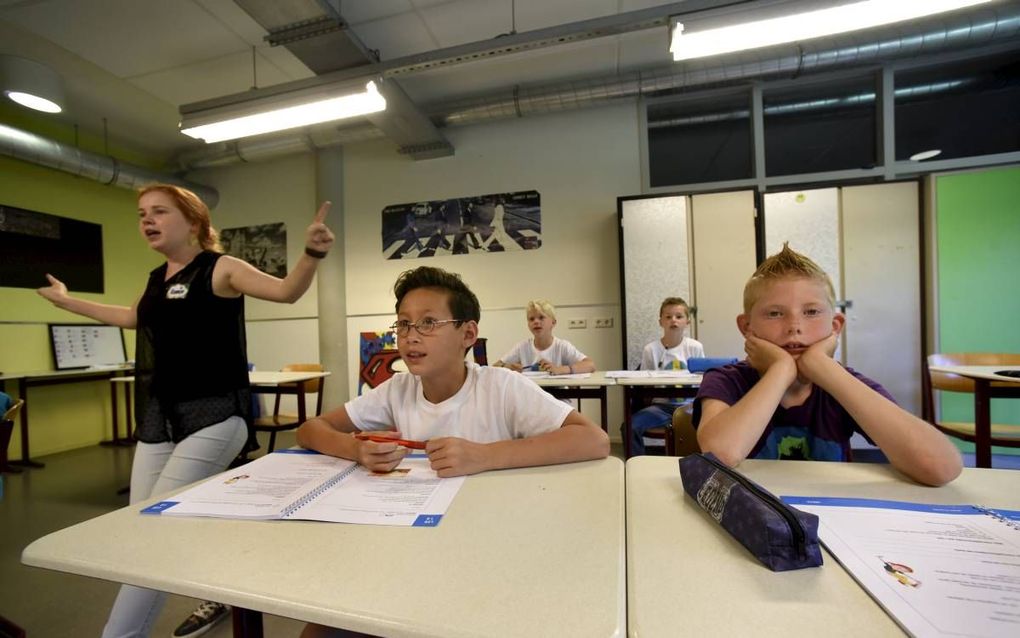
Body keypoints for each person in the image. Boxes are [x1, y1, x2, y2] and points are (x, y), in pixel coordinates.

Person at [37, 183, 335, 638]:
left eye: (159, 212)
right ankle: (215, 588)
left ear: (194, 222)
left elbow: (287, 292)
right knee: (143, 529)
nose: (147, 221)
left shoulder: (221, 268)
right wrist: (66, 301)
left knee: (153, 532)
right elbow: (130, 317)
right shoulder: (156, 279)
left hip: (215, 416)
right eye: (141, 214)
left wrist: (311, 254)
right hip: (163, 415)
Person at [295, 266, 608, 637]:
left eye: (428, 323)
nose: (411, 336)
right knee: (321, 625)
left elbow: (594, 439)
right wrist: (355, 449)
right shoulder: (398, 389)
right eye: (404, 324)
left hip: (491, 551)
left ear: (468, 334)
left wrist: (486, 455)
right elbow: (309, 429)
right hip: (412, 549)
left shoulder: (500, 386)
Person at [693, 243, 961, 487]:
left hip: (834, 517)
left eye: (811, 312)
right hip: (750, 515)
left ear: (835, 326)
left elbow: (941, 467)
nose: (794, 327)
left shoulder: (842, 382)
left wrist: (822, 366)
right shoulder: (726, 380)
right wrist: (781, 371)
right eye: (775, 313)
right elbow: (721, 454)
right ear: (746, 327)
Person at [626, 297, 705, 456]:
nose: (673, 321)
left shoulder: (695, 347)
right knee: (630, 426)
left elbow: (702, 379)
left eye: (678, 316)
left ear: (687, 322)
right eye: (668, 317)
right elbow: (643, 384)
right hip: (662, 407)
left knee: (711, 426)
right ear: (660, 321)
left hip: (690, 407)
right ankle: (637, 465)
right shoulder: (651, 349)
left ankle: (701, 465)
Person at [493, 300, 596, 375]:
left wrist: (561, 369)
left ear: (553, 322)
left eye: (541, 317)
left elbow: (590, 365)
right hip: (531, 400)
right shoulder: (522, 347)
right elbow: (495, 366)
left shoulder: (562, 346)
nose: (536, 322)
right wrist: (508, 367)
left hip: (559, 400)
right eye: (531, 319)